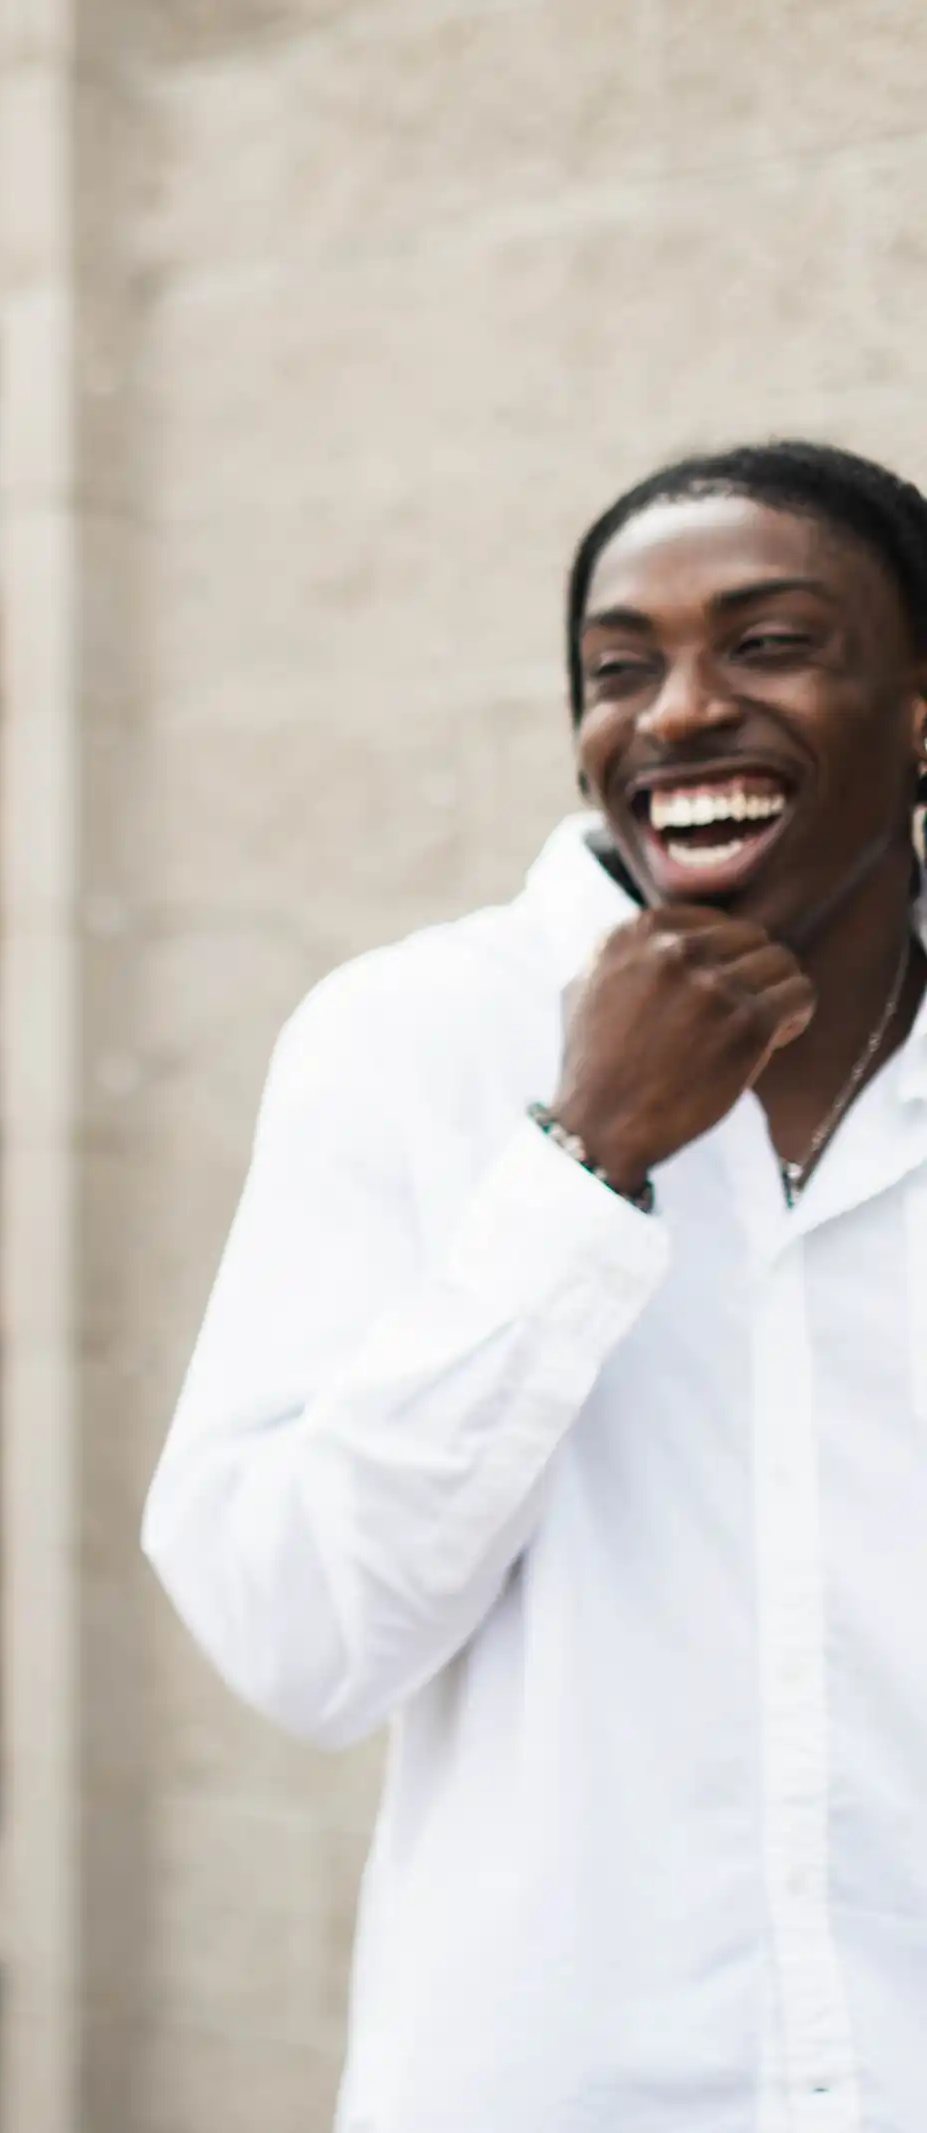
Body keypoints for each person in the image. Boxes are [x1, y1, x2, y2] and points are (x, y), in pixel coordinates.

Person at [147, 440, 927, 2130]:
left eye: (770, 642)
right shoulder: (412, 1044)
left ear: (924, 708)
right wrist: (584, 1167)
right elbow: (293, 1633)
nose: (675, 714)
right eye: (619, 670)